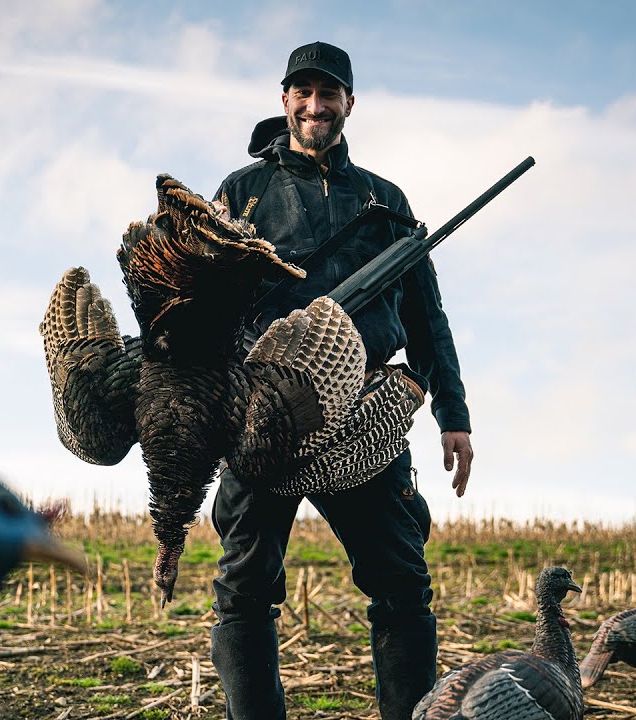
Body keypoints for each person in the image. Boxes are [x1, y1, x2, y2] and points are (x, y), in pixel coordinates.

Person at [208, 41, 474, 720]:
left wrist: (454, 414)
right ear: (285, 98)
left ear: (350, 103)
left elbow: (426, 316)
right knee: (243, 588)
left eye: (329, 94)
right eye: (304, 92)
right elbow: (199, 308)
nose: (315, 106)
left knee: (402, 586)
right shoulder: (241, 193)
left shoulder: (385, 203)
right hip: (263, 418)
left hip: (366, 414)